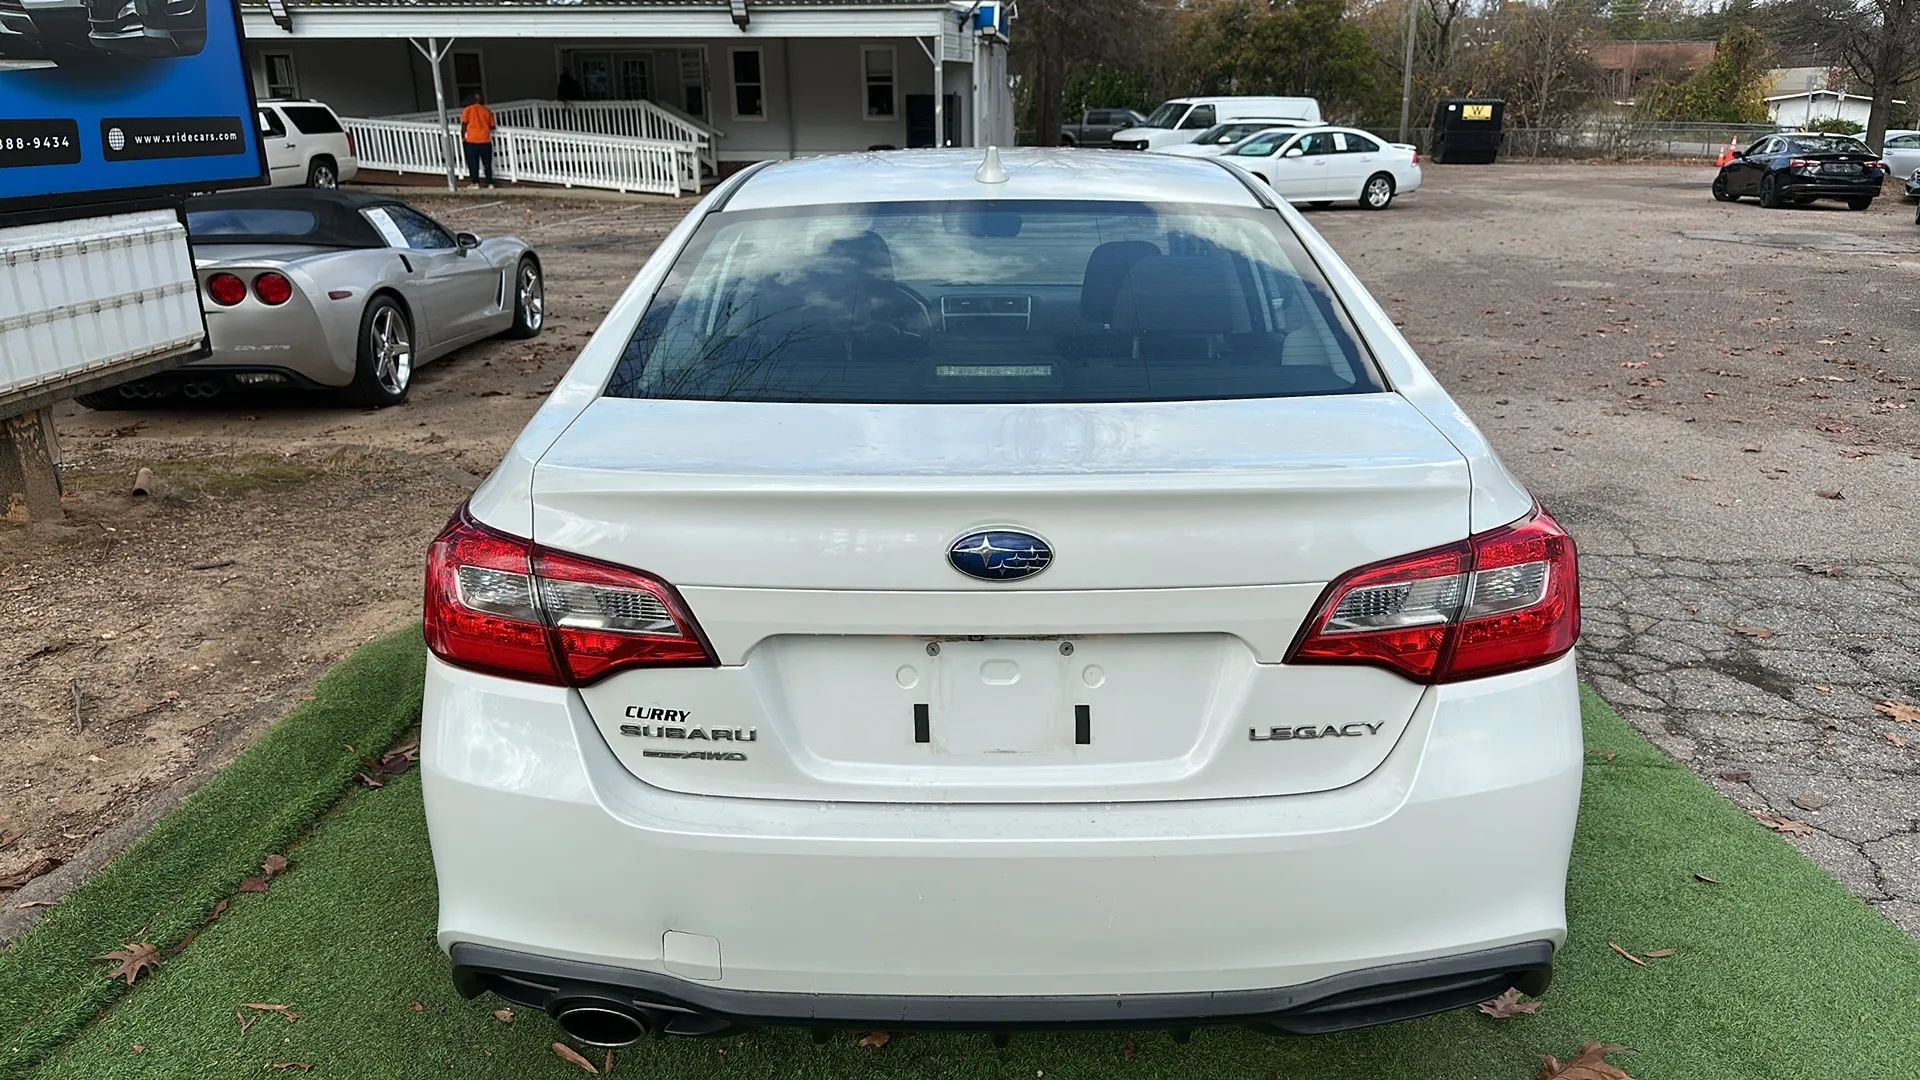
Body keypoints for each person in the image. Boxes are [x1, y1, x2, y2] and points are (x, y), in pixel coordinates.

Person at [459, 93, 496, 189]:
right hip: (485, 139)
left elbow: (464, 124)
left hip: (472, 140)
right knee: (487, 163)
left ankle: (475, 182)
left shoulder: (467, 110)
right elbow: (492, 125)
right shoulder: (487, 111)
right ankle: (490, 183)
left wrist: (463, 136)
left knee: (473, 163)